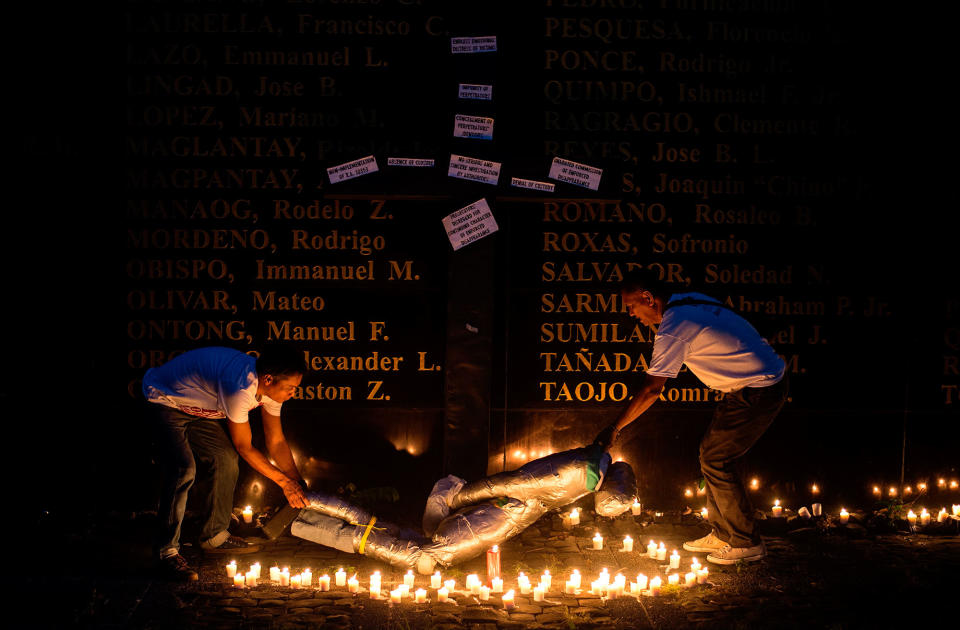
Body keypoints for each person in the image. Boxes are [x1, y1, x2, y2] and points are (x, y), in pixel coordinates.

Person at [594, 270, 788, 565]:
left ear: (648, 298)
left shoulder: (674, 325)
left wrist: (614, 428)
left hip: (758, 388)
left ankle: (746, 542)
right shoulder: (688, 301)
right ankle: (725, 534)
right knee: (711, 456)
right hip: (745, 387)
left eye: (632, 305)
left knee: (717, 460)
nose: (632, 314)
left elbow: (651, 389)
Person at [142, 345, 309, 580]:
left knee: (225, 459)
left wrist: (296, 481)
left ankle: (214, 537)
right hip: (166, 400)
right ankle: (166, 552)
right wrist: (284, 483)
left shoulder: (270, 390)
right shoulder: (240, 387)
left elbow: (276, 441)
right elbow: (244, 447)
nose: (293, 393)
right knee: (184, 469)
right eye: (290, 388)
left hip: (200, 410)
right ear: (269, 379)